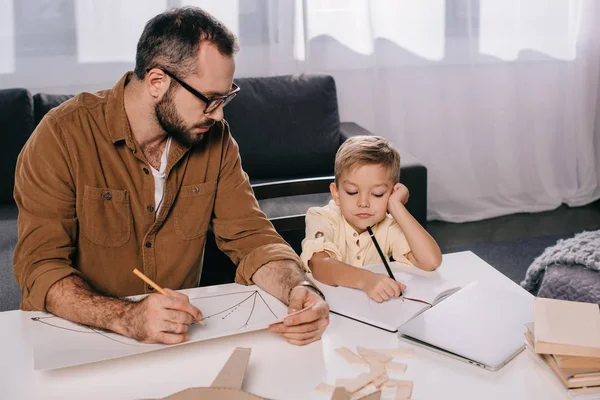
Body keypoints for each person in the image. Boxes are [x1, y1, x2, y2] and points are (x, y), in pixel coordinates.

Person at [13, 7, 329, 346]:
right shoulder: (61, 136)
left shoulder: (215, 138)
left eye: (226, 97)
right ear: (157, 82)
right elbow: (41, 268)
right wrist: (125, 317)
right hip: (83, 335)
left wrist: (299, 287)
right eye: (209, 100)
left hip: (178, 337)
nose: (219, 113)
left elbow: (252, 238)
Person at [301, 135, 442, 302]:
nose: (363, 203)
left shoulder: (387, 226)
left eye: (377, 194)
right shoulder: (321, 217)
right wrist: (367, 280)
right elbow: (320, 265)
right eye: (352, 192)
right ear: (336, 193)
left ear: (391, 193)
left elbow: (431, 261)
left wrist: (397, 207)